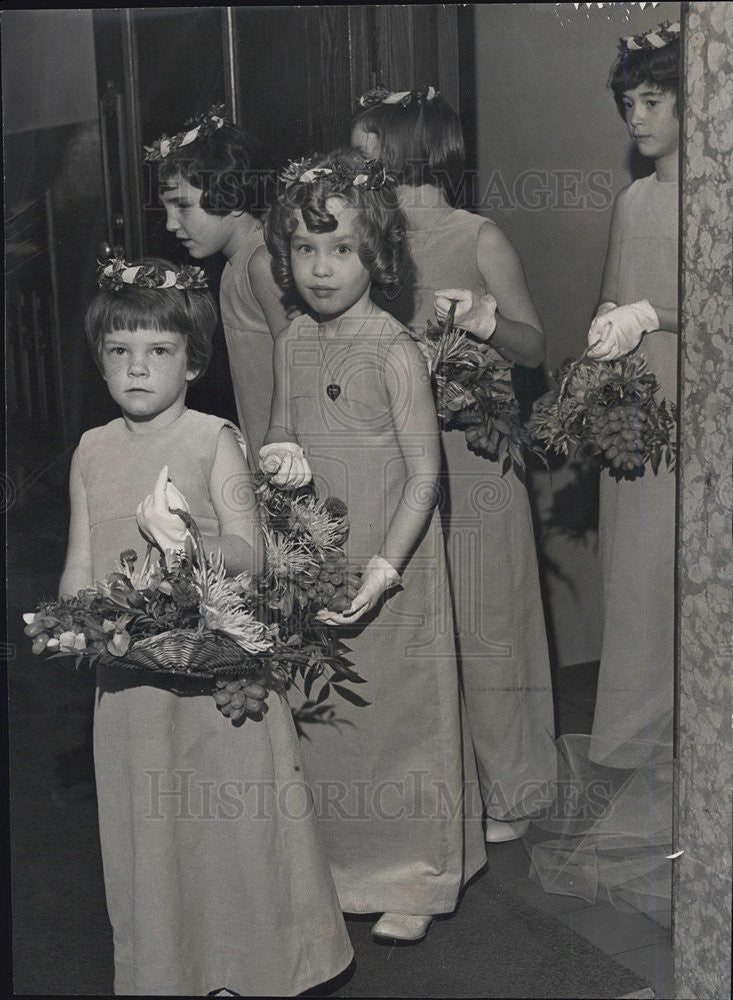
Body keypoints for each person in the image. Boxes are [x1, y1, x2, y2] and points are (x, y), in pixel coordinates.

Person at [59, 258, 353, 995]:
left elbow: (249, 553)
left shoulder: (209, 437)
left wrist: (185, 540)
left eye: (158, 351)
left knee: (232, 833)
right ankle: (175, 973)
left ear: (191, 361)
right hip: (131, 687)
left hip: (214, 675)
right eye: (119, 351)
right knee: (154, 841)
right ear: (100, 361)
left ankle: (252, 971)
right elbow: (81, 562)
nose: (136, 368)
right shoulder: (92, 450)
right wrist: (72, 620)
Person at [261, 150, 486, 942]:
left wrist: (388, 567)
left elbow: (427, 475)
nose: (321, 268)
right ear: (283, 255)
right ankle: (339, 865)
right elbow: (284, 428)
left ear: (377, 253)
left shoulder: (393, 349)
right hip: (319, 556)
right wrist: (277, 459)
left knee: (404, 716)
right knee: (329, 719)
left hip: (395, 557)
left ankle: (419, 875)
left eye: (342, 248)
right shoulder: (291, 339)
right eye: (303, 248)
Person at [350, 88, 556, 842]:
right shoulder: (360, 236)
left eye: (365, 143)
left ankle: (512, 789)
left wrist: (484, 321)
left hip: (472, 453)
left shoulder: (478, 235)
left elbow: (535, 347)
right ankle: (434, 794)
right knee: (407, 626)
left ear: (399, 147)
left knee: (489, 620)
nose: (355, 159)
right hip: (391, 460)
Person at [528, 21, 680, 920]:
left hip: (703, 409)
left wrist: (653, 315)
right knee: (637, 577)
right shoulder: (633, 203)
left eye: (652, 101)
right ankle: (649, 745)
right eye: (628, 105)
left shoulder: (716, 191)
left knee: (682, 577)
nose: (637, 119)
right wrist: (597, 349)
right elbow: (610, 293)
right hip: (640, 420)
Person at [148, 107, 292, 462]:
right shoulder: (233, 264)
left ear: (232, 196)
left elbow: (298, 354)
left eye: (182, 206)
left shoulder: (261, 263)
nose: (169, 224)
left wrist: (280, 435)